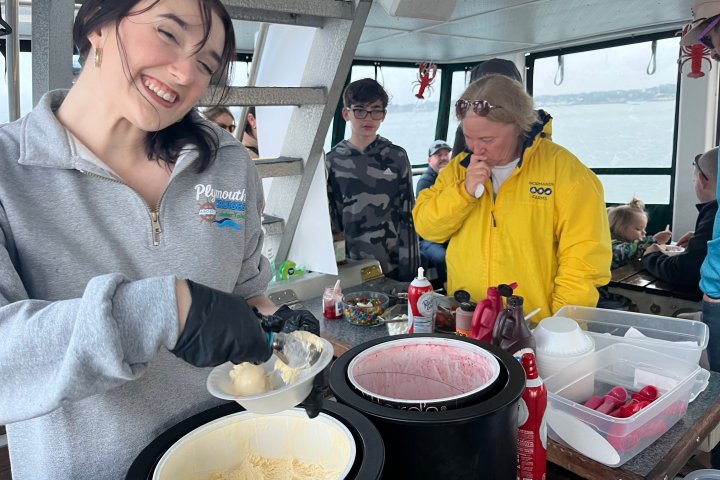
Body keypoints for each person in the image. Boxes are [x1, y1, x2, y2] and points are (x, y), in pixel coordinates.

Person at [0, 1, 324, 479]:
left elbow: (243, 295)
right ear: (99, 24)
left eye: (206, 64)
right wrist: (163, 309)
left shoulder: (228, 163)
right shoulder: (9, 173)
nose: (183, 73)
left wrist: (289, 338)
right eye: (169, 33)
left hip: (230, 460)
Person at [413, 74, 611, 320]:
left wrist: (561, 325)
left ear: (520, 126)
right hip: (467, 318)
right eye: (469, 137)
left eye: (487, 139)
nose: (476, 148)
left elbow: (584, 263)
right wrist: (464, 191)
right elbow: (427, 227)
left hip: (535, 325)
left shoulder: (568, 173)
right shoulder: (458, 169)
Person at [325, 78, 420, 281]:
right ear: (346, 114)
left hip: (392, 263)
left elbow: (408, 216)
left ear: (383, 115)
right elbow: (331, 220)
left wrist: (411, 273)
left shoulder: (397, 157)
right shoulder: (332, 160)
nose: (368, 118)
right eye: (360, 110)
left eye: (376, 110)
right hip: (349, 264)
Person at [642, 148, 719, 288]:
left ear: (701, 180)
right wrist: (702, 238)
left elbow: (684, 272)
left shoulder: (715, 216)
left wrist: (651, 256)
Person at [452, 58, 524, 156]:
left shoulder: (546, 153)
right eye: (469, 137)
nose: (477, 150)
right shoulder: (464, 130)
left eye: (488, 139)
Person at [416, 139, 452, 287]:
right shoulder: (425, 182)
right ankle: (447, 285)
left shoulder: (452, 178)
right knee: (443, 256)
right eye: (438, 155)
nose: (443, 158)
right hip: (428, 238)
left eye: (446, 154)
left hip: (448, 232)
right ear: (429, 160)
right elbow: (430, 217)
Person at [607, 198, 672, 269]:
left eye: (644, 228)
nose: (644, 232)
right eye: (638, 229)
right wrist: (654, 240)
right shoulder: (611, 245)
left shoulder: (630, 243)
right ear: (619, 228)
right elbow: (629, 251)